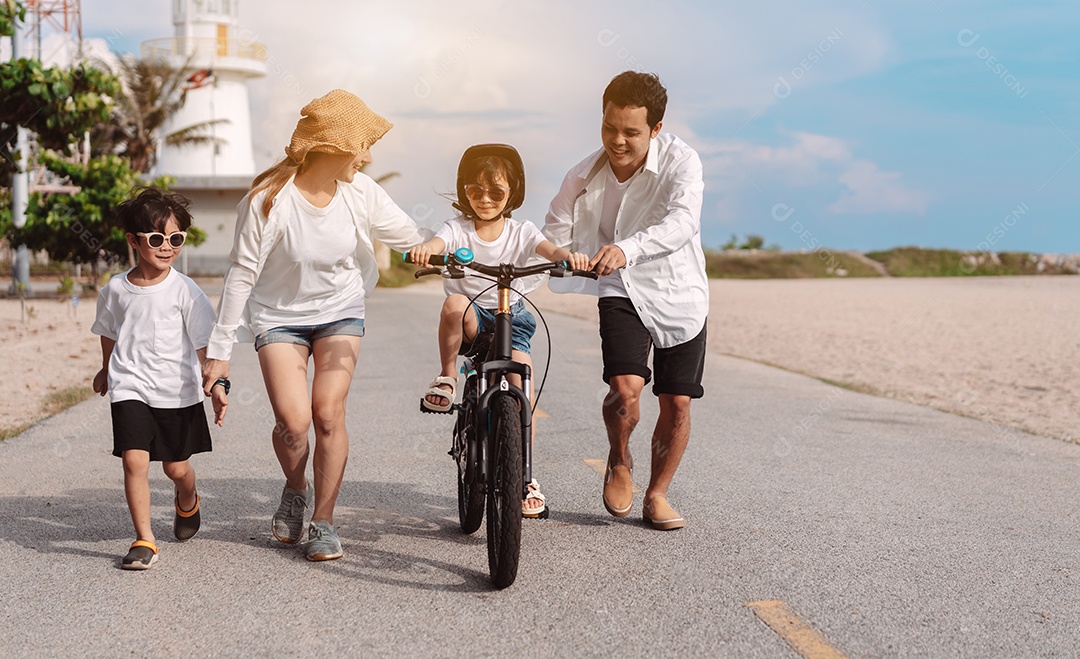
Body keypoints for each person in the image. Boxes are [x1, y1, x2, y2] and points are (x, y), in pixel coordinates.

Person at [200, 89, 428, 561]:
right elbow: (241, 274)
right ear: (336, 146)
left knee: (327, 413)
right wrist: (220, 350)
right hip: (278, 316)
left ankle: (323, 520)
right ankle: (295, 486)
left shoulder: (361, 192)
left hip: (341, 311)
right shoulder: (268, 201)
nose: (366, 158)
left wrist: (453, 243)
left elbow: (411, 237)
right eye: (362, 146)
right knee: (292, 422)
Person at [543, 71, 708, 531]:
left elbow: (682, 222)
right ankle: (620, 460)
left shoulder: (682, 161)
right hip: (620, 286)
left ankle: (657, 494)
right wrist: (562, 257)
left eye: (631, 132)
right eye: (609, 127)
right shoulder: (581, 175)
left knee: (676, 402)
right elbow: (553, 231)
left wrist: (627, 248)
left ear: (655, 129)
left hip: (681, 291)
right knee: (625, 390)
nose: (617, 141)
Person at [407, 144, 589, 518]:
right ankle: (446, 377)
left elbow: (546, 247)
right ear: (465, 192)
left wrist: (566, 257)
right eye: (475, 190)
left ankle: (525, 479)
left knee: (523, 392)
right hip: (474, 320)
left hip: (513, 318)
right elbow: (439, 243)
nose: (485, 199)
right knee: (454, 302)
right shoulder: (457, 229)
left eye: (496, 191)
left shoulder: (520, 230)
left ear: (512, 193)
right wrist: (427, 249)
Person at [91, 186, 228, 570]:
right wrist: (106, 368)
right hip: (130, 387)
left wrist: (216, 384)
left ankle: (188, 496)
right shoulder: (116, 288)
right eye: (156, 238)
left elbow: (204, 343)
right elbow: (109, 330)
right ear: (134, 241)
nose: (167, 246)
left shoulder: (186, 290)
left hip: (177, 392)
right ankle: (144, 539)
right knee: (134, 461)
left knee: (175, 468)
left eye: (176, 239)